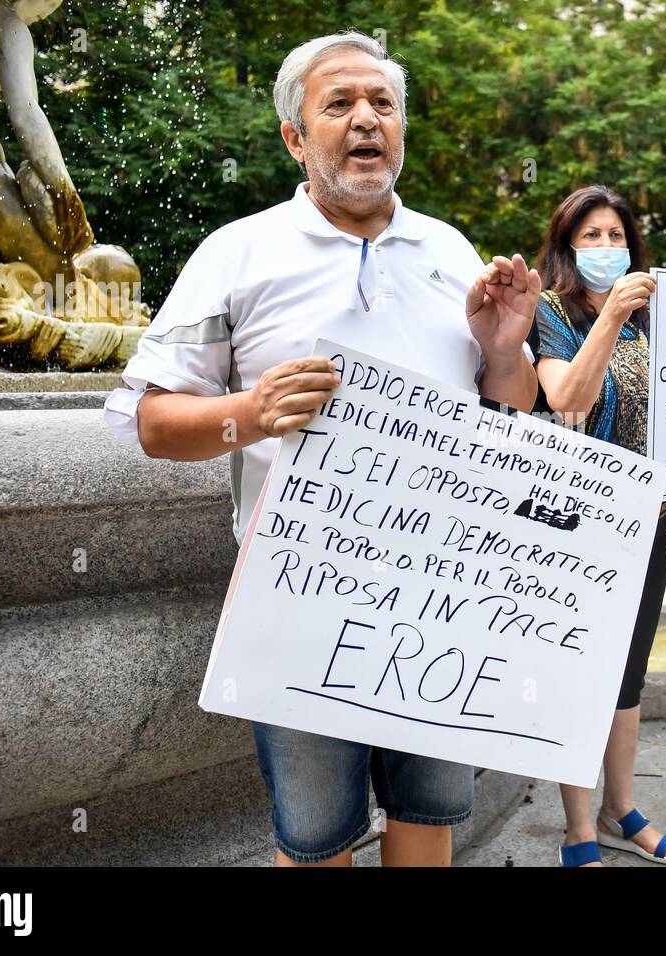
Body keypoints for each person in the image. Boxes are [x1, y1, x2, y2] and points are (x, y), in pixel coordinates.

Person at [104, 31, 541, 867]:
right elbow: (155, 424)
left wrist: (503, 351)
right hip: (301, 599)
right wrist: (253, 413)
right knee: (314, 837)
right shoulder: (236, 252)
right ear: (295, 138)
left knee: (430, 813)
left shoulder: (451, 252)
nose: (365, 119)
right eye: (338, 104)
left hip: (444, 595)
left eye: (382, 103)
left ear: (402, 129)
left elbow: (509, 413)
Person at [529, 185, 666, 868]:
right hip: (579, 518)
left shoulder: (657, 316)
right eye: (589, 237)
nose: (605, 249)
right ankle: (577, 826)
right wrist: (611, 314)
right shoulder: (550, 312)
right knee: (577, 668)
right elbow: (566, 397)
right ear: (566, 245)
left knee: (628, 673)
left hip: (653, 515)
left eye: (616, 237)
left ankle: (622, 808)